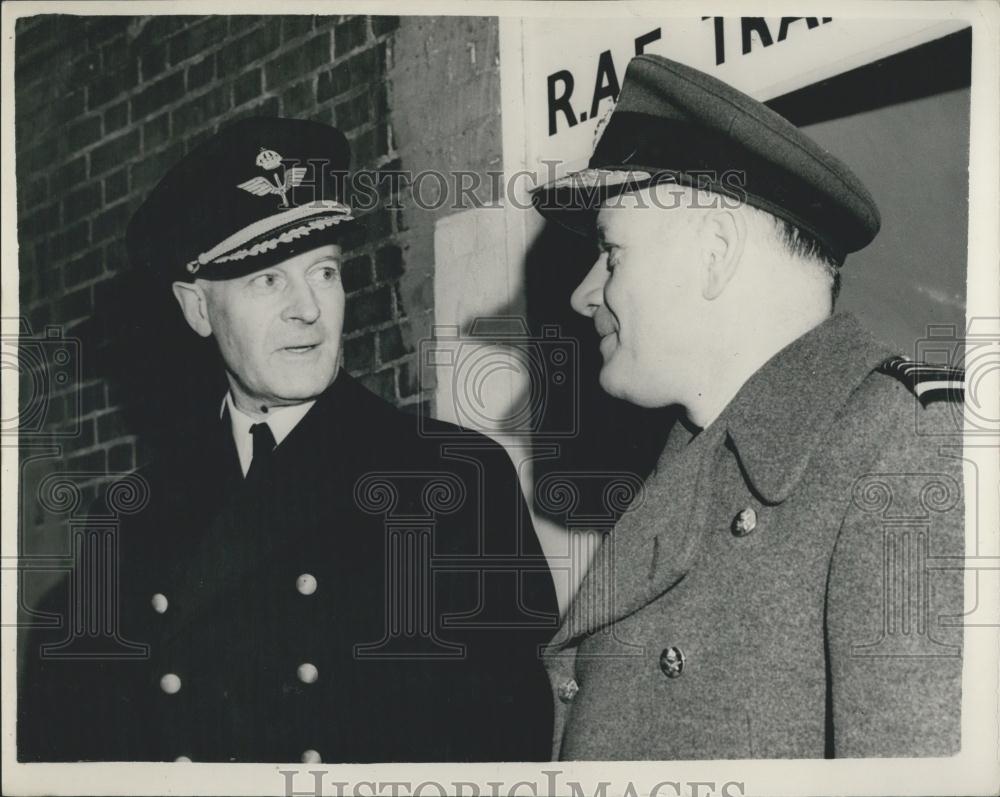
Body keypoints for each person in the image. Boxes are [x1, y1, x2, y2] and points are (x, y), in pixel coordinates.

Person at [19, 116, 558, 763]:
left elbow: (506, 739)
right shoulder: (140, 512)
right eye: (268, 279)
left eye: (324, 272)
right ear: (197, 308)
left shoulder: (455, 477)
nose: (308, 307)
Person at [531, 55, 965, 760]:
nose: (584, 293)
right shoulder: (690, 474)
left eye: (611, 253)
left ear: (716, 251)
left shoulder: (907, 448)